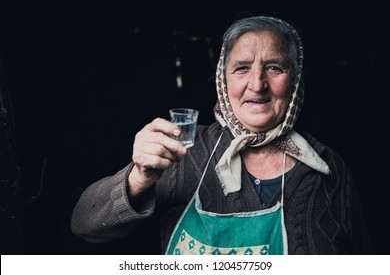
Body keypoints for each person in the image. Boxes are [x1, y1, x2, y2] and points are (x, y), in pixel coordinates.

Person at [71, 15, 374, 255]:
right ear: (222, 78)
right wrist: (138, 177)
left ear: (294, 79)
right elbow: (84, 225)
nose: (257, 84)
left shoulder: (328, 168)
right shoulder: (181, 151)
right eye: (241, 68)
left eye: (274, 67)